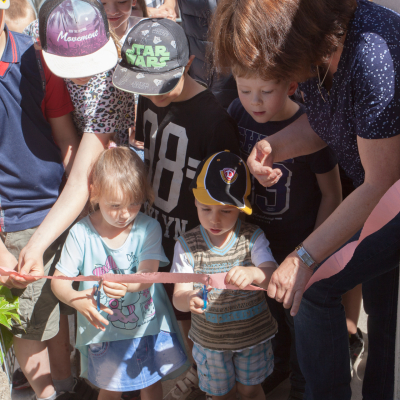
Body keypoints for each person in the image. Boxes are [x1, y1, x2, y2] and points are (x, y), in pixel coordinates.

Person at [209, 0, 400, 399]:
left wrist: (303, 257)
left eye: (271, 71)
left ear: (289, 43)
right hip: (380, 192)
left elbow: (380, 181)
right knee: (383, 308)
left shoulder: (370, 55)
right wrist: (272, 147)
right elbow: (324, 121)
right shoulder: (313, 49)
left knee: (316, 287)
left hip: (388, 192)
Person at [112, 17, 240, 399]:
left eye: (160, 86)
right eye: (143, 88)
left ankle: (203, 374)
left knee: (192, 314)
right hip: (156, 229)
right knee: (164, 306)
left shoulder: (215, 120)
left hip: (194, 237)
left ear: (188, 65)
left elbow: (224, 194)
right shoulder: (148, 98)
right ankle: (182, 368)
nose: (152, 95)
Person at [227, 73, 341, 399]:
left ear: (291, 86)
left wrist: (311, 253)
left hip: (300, 248)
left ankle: (302, 385)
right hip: (259, 243)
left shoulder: (311, 124)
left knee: (299, 322)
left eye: (266, 90)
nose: (255, 101)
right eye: (245, 90)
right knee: (271, 316)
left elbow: (332, 195)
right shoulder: (236, 112)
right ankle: (279, 366)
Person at [0, 0, 88, 397]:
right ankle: (46, 393)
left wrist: (78, 189)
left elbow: (65, 135)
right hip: (14, 220)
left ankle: (67, 384)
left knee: (56, 306)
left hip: (57, 207)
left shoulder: (37, 61)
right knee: (28, 323)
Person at [51, 146, 188, 400]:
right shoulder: (81, 234)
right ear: (95, 193)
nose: (125, 213)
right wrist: (75, 299)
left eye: (135, 203)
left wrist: (128, 285)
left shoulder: (149, 228)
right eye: (115, 205)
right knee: (110, 388)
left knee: (150, 384)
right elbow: (59, 281)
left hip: (146, 327)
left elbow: (148, 273)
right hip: (104, 332)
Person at [171, 151, 278, 400]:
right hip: (210, 344)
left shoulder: (253, 237)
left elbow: (273, 276)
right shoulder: (187, 245)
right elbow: (178, 296)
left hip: (253, 336)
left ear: (241, 208)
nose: (214, 218)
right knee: (221, 395)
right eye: (206, 208)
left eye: (226, 211)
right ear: (195, 201)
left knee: (250, 390)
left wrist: (254, 272)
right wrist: (188, 299)